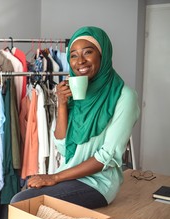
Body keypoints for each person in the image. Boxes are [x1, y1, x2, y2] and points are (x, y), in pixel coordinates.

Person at [10, 26, 140, 209]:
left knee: (22, 202)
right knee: (24, 195)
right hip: (69, 175)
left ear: (102, 55)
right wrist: (61, 104)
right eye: (73, 55)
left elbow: (106, 157)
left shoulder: (125, 96)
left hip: (98, 183)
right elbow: (63, 147)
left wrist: (54, 177)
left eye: (88, 52)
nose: (80, 61)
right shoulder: (77, 93)